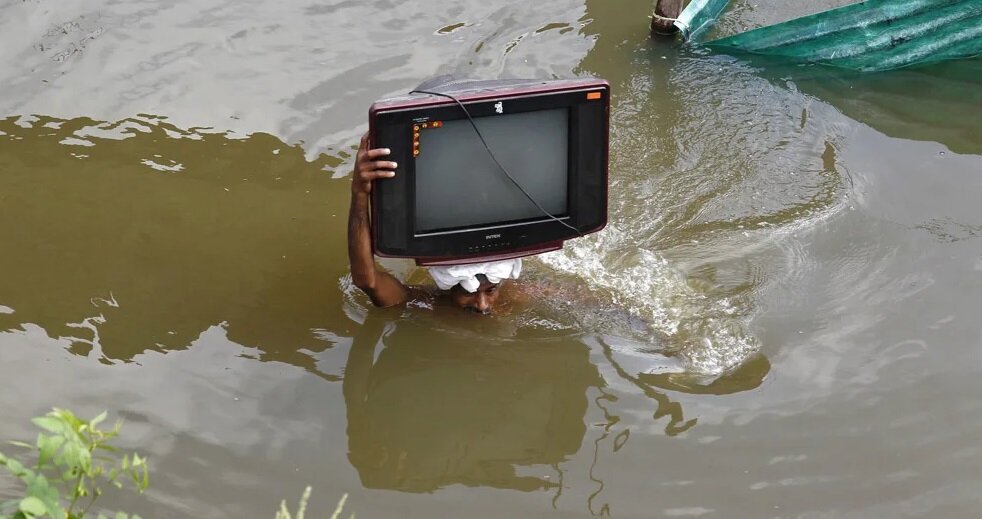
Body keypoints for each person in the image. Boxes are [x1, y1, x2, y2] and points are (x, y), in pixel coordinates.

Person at [347, 133, 522, 315]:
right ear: (448, 288)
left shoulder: (516, 296)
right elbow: (367, 281)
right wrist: (359, 193)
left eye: (491, 290)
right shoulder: (426, 303)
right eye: (468, 293)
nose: (482, 305)